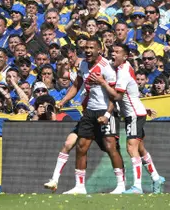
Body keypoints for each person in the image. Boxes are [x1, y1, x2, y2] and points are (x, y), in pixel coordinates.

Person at [46, 37, 125, 194]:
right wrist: (63, 101)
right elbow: (77, 84)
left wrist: (108, 115)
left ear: (99, 50)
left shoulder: (107, 68)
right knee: (81, 147)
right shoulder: (83, 65)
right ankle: (79, 187)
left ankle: (121, 185)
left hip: (106, 111)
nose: (88, 50)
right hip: (89, 112)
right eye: (86, 48)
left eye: (91, 48)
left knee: (111, 147)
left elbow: (115, 96)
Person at [90, 43, 165, 194]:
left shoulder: (123, 72)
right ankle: (157, 178)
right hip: (137, 111)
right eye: (112, 51)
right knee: (140, 148)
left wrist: (103, 82)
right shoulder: (122, 66)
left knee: (131, 148)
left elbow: (117, 96)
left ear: (125, 57)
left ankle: (137, 186)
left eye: (117, 52)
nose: (113, 54)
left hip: (133, 115)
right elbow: (133, 93)